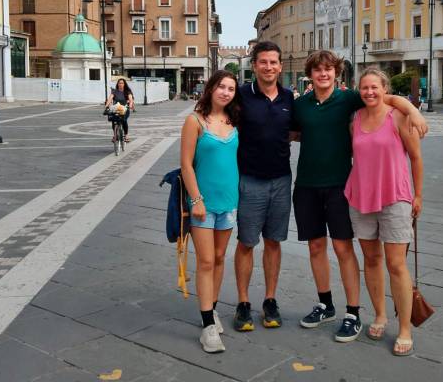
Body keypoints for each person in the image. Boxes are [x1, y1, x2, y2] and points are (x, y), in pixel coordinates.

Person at [292, 50, 427, 343]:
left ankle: (354, 312)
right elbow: (288, 131)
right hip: (309, 186)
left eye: (328, 69)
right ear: (310, 75)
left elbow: (384, 98)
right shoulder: (300, 105)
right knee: (319, 248)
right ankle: (327, 305)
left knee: (346, 250)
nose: (323, 74)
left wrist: (413, 110)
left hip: (343, 187)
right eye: (318, 70)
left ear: (337, 73)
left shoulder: (350, 99)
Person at [345, 67, 422, 356]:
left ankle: (405, 328)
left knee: (396, 264)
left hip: (395, 198)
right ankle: (379, 314)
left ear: (384, 89)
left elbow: (415, 157)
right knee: (371, 259)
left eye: (374, 87)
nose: (369, 92)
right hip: (361, 196)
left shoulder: (398, 116)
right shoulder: (355, 118)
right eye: (364, 88)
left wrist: (419, 195)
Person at [232, 41, 294, 332]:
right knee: (246, 242)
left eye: (274, 62)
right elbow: (212, 116)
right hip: (250, 180)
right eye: (263, 62)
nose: (269, 67)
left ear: (280, 66)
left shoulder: (289, 97)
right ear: (254, 65)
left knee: (274, 241)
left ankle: (270, 299)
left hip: (281, 180)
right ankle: (243, 302)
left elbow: (296, 131)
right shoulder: (241, 96)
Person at [179, 70, 240, 353]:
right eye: (221, 87)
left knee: (218, 258)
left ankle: (212, 309)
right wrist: (196, 199)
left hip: (229, 203)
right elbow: (186, 165)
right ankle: (207, 326)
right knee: (205, 261)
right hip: (202, 204)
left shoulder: (234, 120)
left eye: (231, 88)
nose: (226, 92)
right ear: (211, 88)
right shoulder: (195, 121)